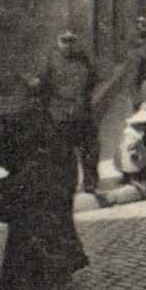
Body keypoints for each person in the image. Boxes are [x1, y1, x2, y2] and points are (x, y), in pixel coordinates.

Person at [0, 86, 89, 290]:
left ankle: (27, 283)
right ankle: (47, 280)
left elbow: (4, 154)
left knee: (32, 234)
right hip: (41, 186)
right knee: (46, 232)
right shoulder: (44, 123)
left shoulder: (28, 122)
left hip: (38, 186)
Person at [38, 30, 99, 194]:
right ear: (57, 42)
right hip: (60, 114)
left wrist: (83, 98)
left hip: (82, 112)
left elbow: (93, 79)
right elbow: (43, 85)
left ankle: (90, 183)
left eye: (71, 41)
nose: (68, 44)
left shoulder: (83, 59)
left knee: (91, 149)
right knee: (62, 152)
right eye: (64, 41)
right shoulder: (50, 60)